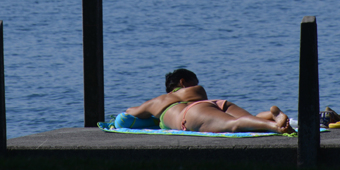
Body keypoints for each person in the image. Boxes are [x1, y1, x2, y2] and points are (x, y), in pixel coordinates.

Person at [123, 68, 295, 134]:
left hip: (191, 113)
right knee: (249, 120)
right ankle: (271, 116)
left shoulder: (158, 101)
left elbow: (130, 113)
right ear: (183, 82)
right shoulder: (195, 91)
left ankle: (276, 126)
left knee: (234, 125)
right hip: (216, 103)